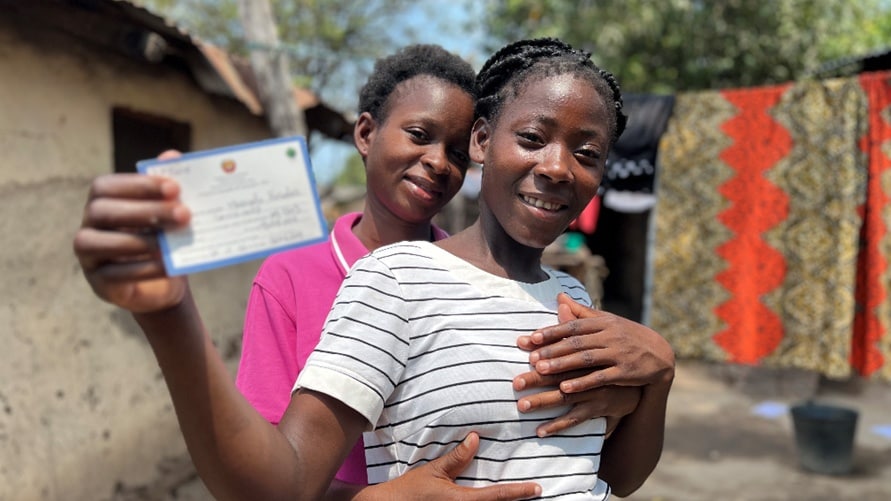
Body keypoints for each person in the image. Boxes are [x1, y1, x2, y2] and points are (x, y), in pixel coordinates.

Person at [73, 38, 674, 499]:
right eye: (534, 137)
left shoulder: (570, 297)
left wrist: (658, 375)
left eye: (587, 153)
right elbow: (280, 479)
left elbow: (609, 474)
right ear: (485, 144)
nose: (558, 167)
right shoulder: (391, 278)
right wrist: (170, 313)